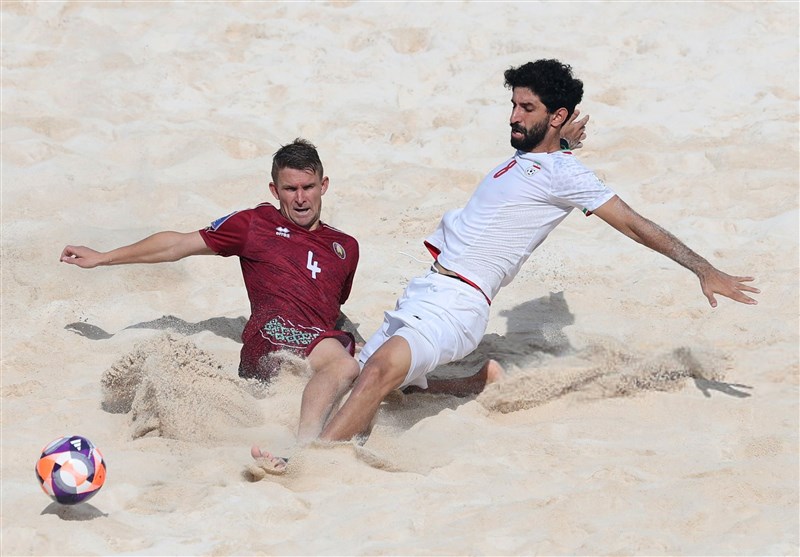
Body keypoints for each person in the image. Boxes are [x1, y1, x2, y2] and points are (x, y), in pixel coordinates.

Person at [304, 58, 760, 447]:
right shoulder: (533, 158)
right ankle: (477, 381)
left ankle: (315, 459)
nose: (513, 117)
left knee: (379, 372)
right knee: (356, 374)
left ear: (556, 115)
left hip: (458, 304)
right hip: (425, 291)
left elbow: (635, 224)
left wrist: (702, 268)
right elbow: (541, 167)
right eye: (513, 105)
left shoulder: (567, 174)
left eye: (526, 108)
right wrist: (562, 142)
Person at [60, 138, 362, 442]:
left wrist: (355, 339)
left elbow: (329, 306)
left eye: (308, 187)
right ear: (274, 190)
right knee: (344, 364)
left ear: (323, 185)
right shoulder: (254, 224)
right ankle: (306, 450)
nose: (300, 198)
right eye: (290, 189)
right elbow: (177, 245)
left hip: (318, 344)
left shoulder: (345, 247)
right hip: (272, 333)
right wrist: (104, 257)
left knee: (366, 369)